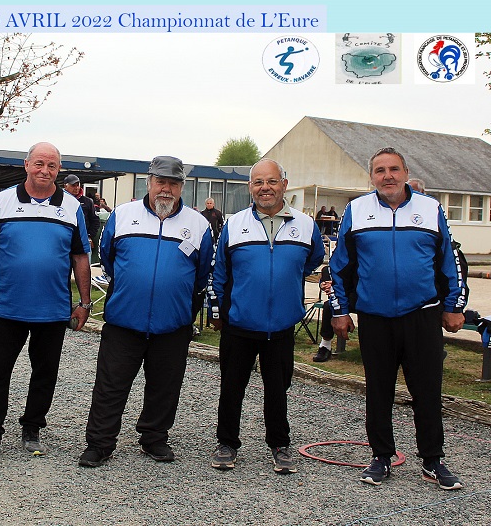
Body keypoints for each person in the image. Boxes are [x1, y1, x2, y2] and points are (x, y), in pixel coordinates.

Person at [330, 147, 467, 490]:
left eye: (394, 169)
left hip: (421, 314)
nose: (387, 176)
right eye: (380, 170)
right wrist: (341, 309)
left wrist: (454, 305)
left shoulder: (431, 208)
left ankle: (433, 460)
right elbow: (341, 266)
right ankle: (381, 457)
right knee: (378, 390)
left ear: (406, 173)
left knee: (427, 391)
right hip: (375, 317)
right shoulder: (356, 210)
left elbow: (449, 262)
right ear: (371, 177)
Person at [79, 156, 214, 468]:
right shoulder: (123, 216)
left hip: (172, 324)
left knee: (165, 387)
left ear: (182, 187)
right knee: (110, 386)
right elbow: (109, 259)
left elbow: (202, 272)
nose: (166, 188)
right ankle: (100, 444)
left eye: (174, 183)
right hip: (125, 322)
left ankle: (154, 438)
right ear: (149, 182)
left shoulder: (198, 224)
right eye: (160, 181)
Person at [0, 142, 92, 464]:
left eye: (52, 166)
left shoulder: (72, 207)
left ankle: (32, 428)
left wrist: (84, 302)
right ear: (26, 164)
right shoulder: (2, 202)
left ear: (59, 170)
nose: (45, 170)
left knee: (45, 373)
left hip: (52, 310)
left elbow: (80, 255)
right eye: (39, 163)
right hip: (8, 307)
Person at [209, 158, 324, 475]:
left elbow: (311, 260)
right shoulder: (234, 224)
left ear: (284, 184)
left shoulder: (305, 225)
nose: (265, 188)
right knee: (232, 388)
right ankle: (227, 443)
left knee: (278, 389)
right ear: (250, 187)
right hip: (240, 324)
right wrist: (218, 310)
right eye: (258, 182)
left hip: (282, 326)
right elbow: (219, 272)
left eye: (271, 181)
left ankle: (279, 445)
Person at [64, 174, 100, 255]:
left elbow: (95, 221)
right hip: (65, 240)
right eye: (73, 185)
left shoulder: (88, 201)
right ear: (65, 186)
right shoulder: (60, 200)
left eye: (78, 185)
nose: (76, 188)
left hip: (83, 240)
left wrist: (89, 236)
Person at [312, 265, 336, 362]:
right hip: (337, 299)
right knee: (328, 306)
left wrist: (335, 285)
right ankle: (325, 346)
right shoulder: (330, 269)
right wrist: (323, 285)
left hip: (356, 296)